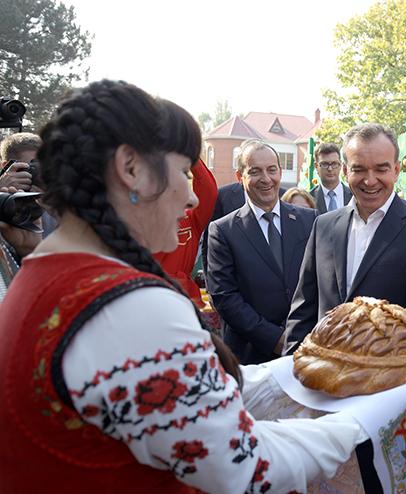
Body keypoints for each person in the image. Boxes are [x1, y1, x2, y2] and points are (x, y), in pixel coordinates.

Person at [0, 80, 364, 493]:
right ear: (130, 169)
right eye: (184, 173)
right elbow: (242, 466)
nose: (193, 199)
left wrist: (295, 368)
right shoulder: (129, 305)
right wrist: (362, 420)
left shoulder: (48, 270)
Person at [284, 122, 406, 493]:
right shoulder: (324, 225)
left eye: (380, 168)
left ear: (397, 169)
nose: (370, 179)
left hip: (388, 409)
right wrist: (290, 375)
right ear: (345, 171)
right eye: (359, 168)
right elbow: (304, 305)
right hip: (323, 399)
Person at [207, 140, 317, 365]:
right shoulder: (222, 231)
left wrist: (303, 334)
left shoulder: (310, 220)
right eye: (255, 171)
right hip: (251, 355)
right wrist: (275, 339)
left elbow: (322, 280)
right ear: (240, 177)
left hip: (309, 349)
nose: (266, 179)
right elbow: (225, 297)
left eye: (272, 170)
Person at [153, 158, 217, 308]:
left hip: (186, 301)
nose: (191, 199)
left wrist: (190, 153)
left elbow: (208, 190)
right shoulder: (129, 221)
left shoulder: (189, 218)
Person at [310, 142, 352, 214]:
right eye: (324, 164)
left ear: (340, 165)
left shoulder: (354, 196)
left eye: (334, 163)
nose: (330, 169)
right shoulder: (310, 198)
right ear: (316, 166)